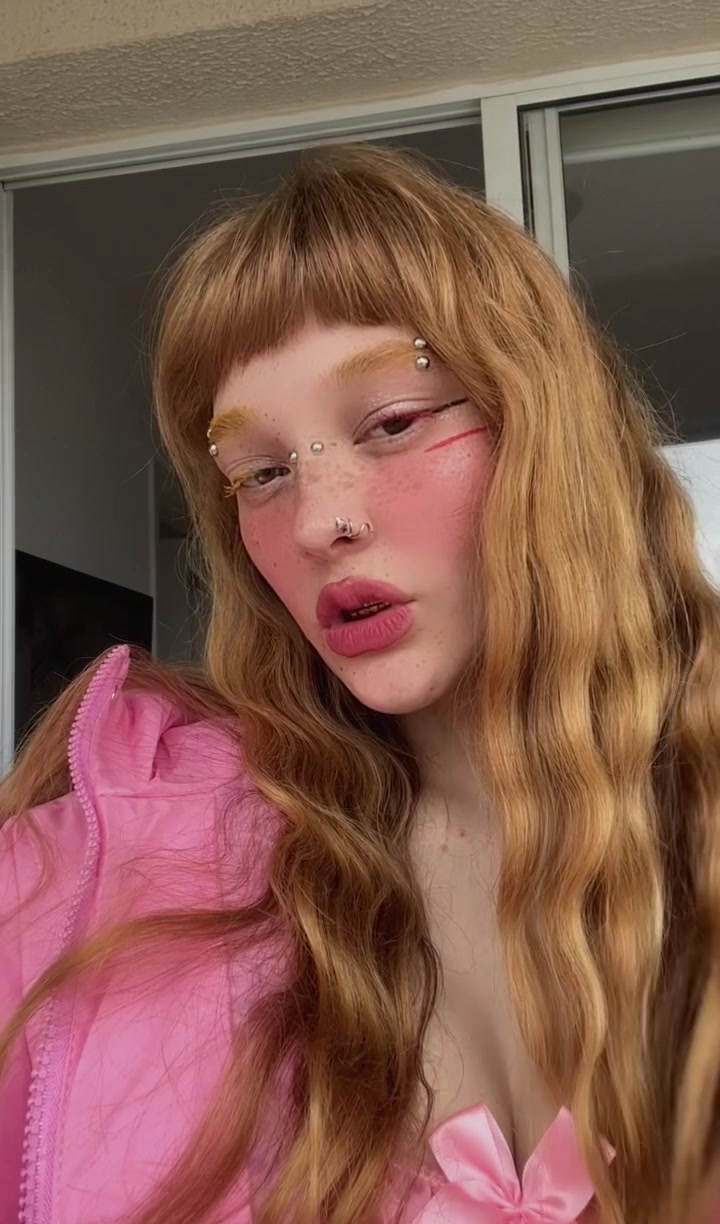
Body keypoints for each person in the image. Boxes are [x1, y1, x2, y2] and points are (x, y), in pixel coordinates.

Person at [1, 143, 719, 1224]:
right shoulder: (93, 881)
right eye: (261, 473)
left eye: (392, 423)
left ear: (547, 428)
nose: (318, 521)